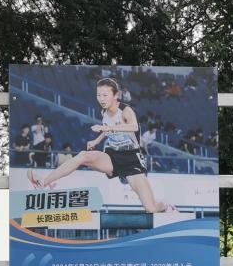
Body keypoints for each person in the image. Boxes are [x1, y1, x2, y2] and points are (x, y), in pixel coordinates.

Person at [28, 77, 175, 214]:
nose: (101, 99)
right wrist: (97, 141)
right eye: (99, 95)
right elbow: (107, 129)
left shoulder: (126, 110)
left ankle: (166, 206)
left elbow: (134, 127)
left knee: (150, 208)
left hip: (131, 159)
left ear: (115, 95)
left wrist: (107, 128)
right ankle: (43, 182)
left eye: (105, 95)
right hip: (112, 155)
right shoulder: (104, 111)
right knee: (83, 156)